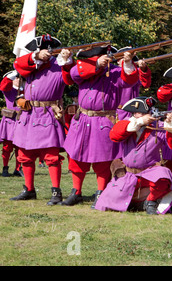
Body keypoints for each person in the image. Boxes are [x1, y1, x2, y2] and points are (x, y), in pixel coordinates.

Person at [61, 44, 139, 207]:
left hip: (104, 120)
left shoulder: (116, 72)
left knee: (102, 161)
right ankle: (76, 191)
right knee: (76, 159)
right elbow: (73, 74)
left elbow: (130, 80)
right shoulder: (84, 68)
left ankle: (101, 192)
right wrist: (97, 65)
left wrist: (129, 62)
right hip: (82, 119)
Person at [10, 34, 73, 205]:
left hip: (48, 112)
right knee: (25, 155)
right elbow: (18, 64)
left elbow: (70, 76)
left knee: (51, 156)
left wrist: (67, 61)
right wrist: (36, 56)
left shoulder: (59, 64)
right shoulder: (32, 64)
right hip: (29, 113)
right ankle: (29, 189)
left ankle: (56, 192)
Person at [96, 96, 172, 215]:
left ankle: (151, 202)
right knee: (108, 200)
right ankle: (140, 203)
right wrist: (140, 122)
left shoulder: (158, 127)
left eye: (147, 112)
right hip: (128, 174)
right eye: (141, 113)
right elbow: (114, 135)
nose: (147, 115)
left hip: (150, 173)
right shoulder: (127, 124)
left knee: (163, 175)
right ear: (135, 114)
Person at [116, 47, 152, 121]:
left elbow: (145, 83)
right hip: (118, 111)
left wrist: (143, 68)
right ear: (118, 61)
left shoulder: (136, 72)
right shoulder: (114, 72)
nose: (127, 60)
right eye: (124, 58)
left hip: (135, 111)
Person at [0, 70, 22, 177]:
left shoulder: (25, 91)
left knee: (20, 147)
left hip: (21, 121)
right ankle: (5, 168)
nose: (18, 80)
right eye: (16, 78)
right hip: (10, 121)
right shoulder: (8, 90)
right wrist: (14, 73)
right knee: (7, 147)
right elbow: (3, 85)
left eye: (19, 78)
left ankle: (18, 168)